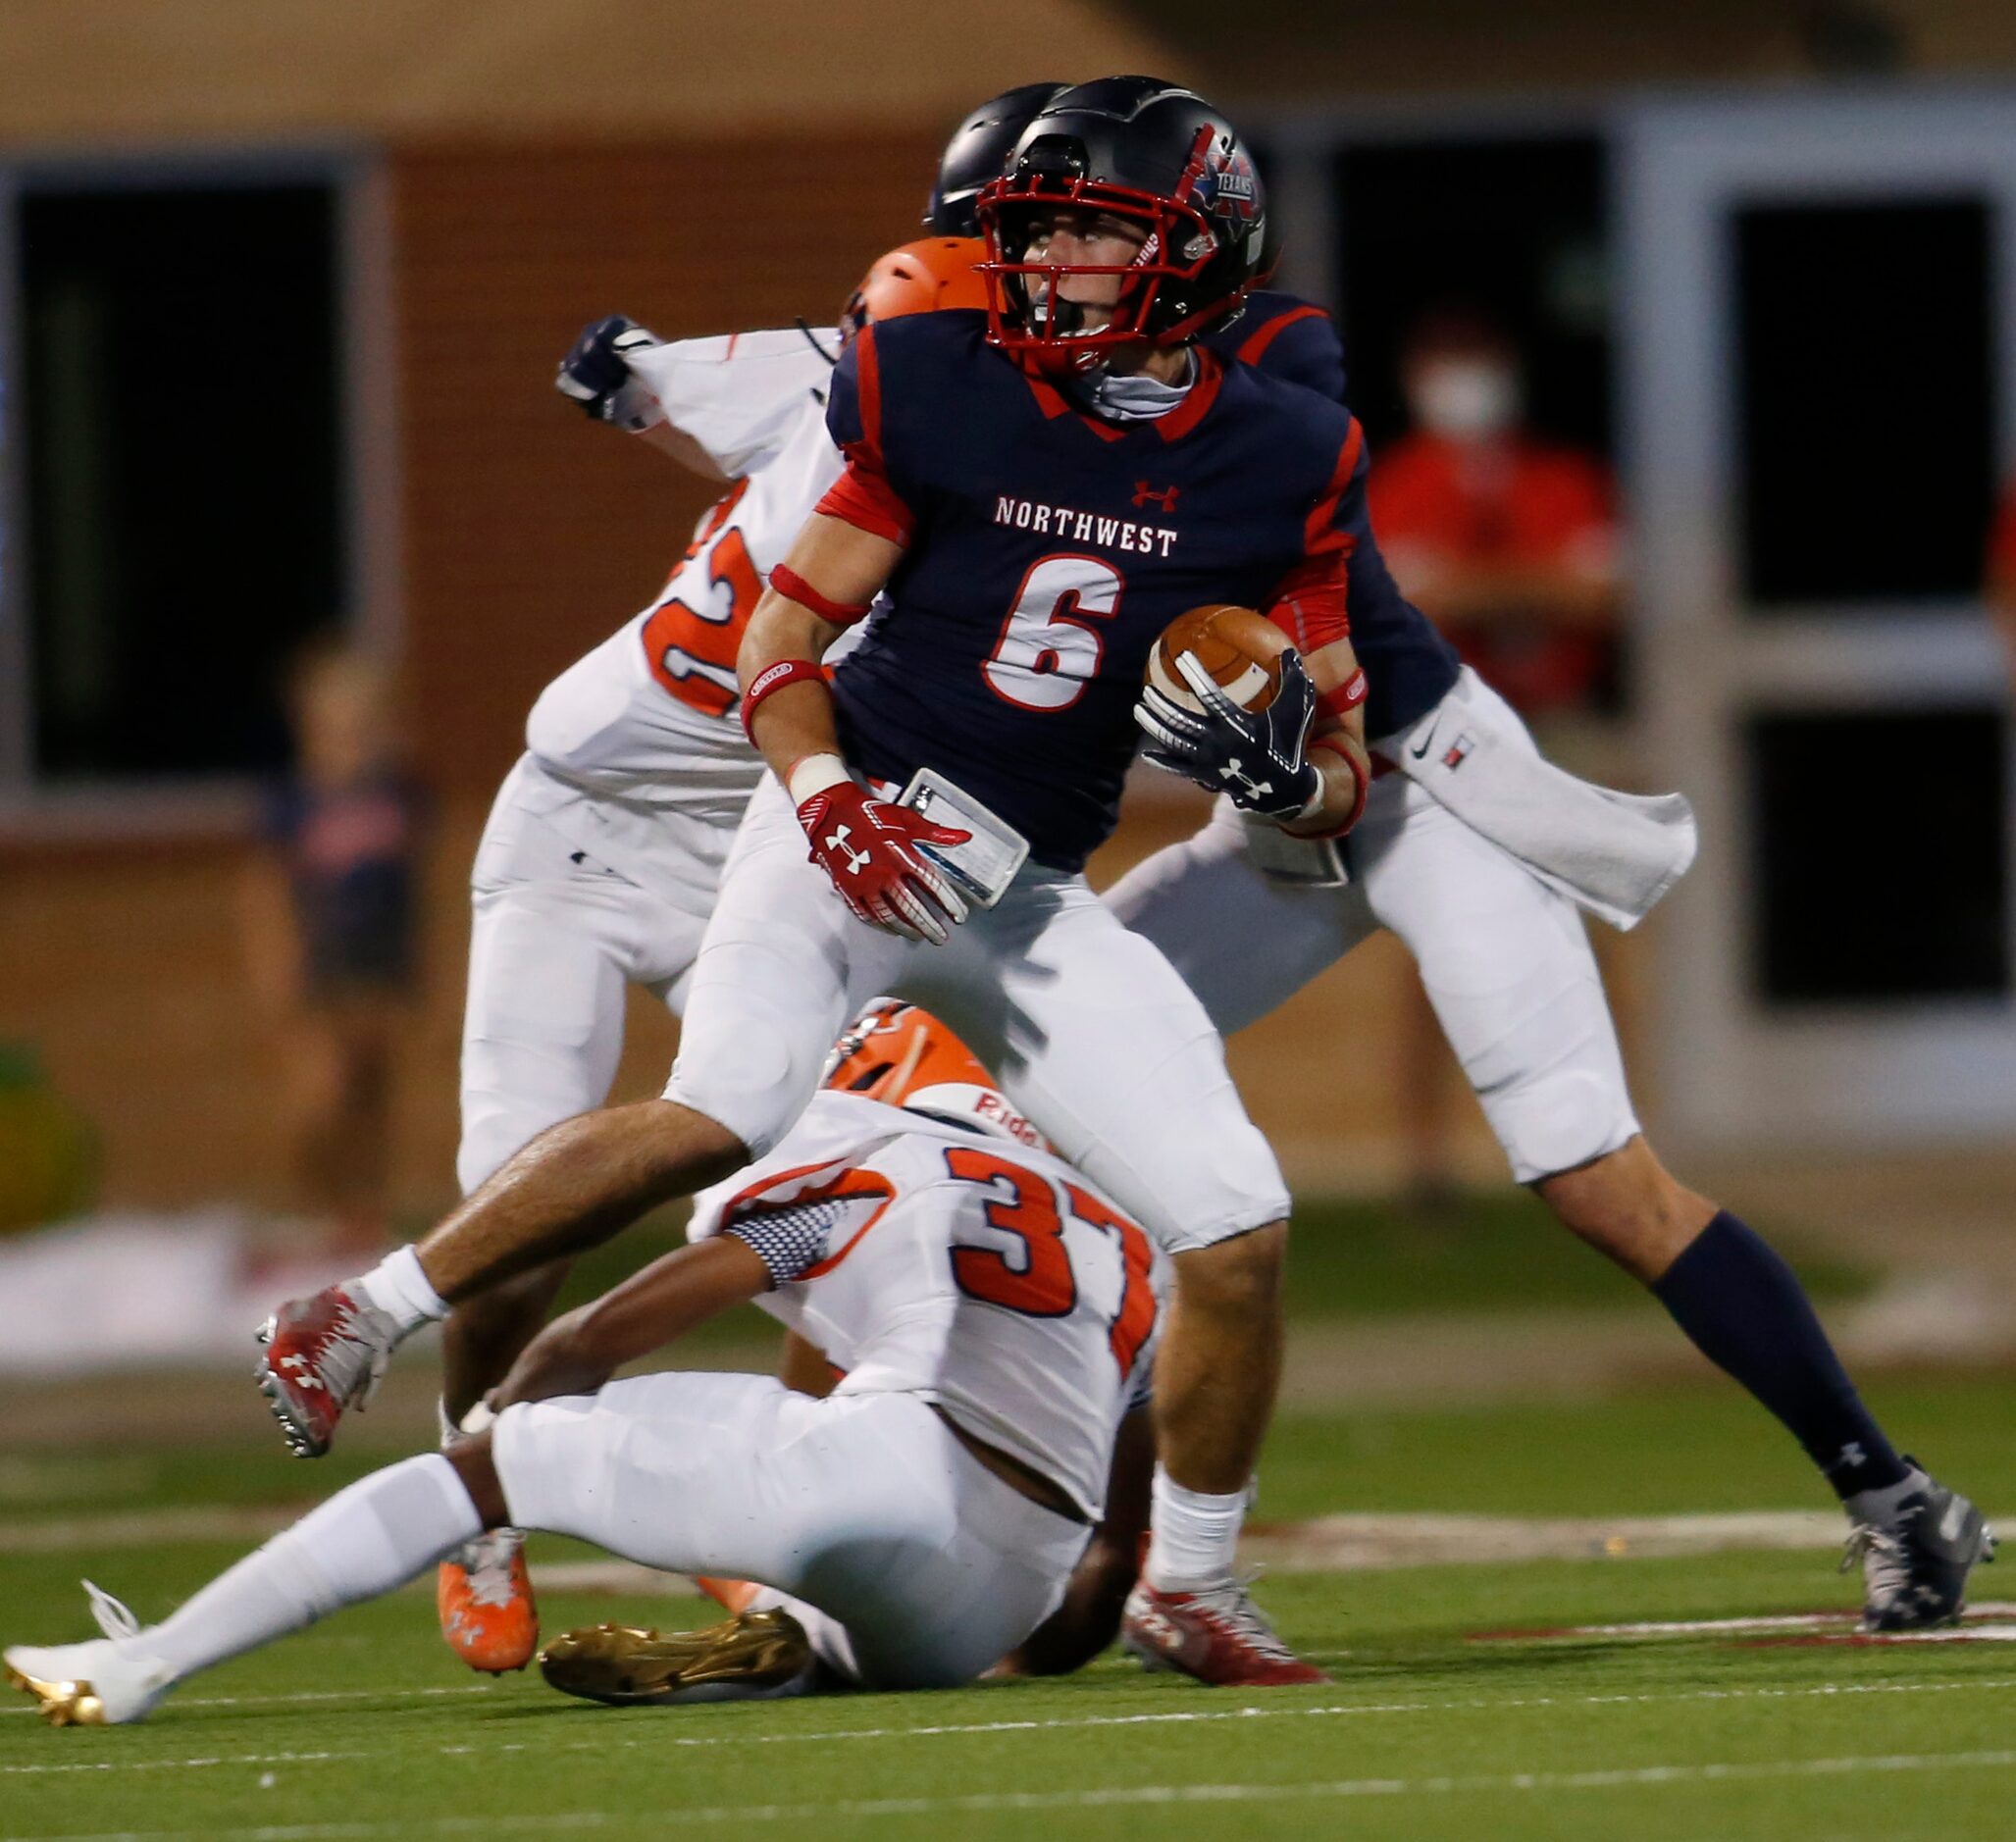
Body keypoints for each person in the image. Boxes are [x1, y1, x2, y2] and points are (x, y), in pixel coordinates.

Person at [254, 76, 1391, 1689]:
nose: (1045, 264)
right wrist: (825, 797)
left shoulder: (1290, 454)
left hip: (1021, 890)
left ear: (1198, 250)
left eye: (1087, 231)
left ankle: (1189, 1583)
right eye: (1035, 230)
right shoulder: (938, 383)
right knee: (722, 1107)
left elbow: (1341, 744)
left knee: (1236, 1219)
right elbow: (778, 648)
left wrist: (1292, 769)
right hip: (848, 821)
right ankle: (359, 1311)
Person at [1107, 310, 1996, 1636]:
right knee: (1012, 1081)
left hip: (1416, 785)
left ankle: (1889, 1495)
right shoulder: (1017, 432)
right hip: (1273, 815)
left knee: (1592, 1173)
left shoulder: (1270, 416)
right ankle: (1062, 1525)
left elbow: (1328, 735)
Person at [3, 1009, 1159, 1725]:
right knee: (842, 1562)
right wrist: (1023, 1646)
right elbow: (1107, 1562)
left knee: (490, 1461)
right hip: (995, 1602)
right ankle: (796, 1643)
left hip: (885, 1476)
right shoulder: (1125, 1239)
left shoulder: (874, 1161)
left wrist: (508, 1443)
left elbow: (594, 1340)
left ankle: (147, 1661)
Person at [434, 236, 990, 1671]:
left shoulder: (1006, 490)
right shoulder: (828, 384)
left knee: (812, 1204)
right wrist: (627, 375)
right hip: (573, 823)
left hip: (754, 852)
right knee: (512, 1218)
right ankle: (477, 1501)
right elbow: (626, 371)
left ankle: (763, 1512)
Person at [239, 640, 428, 1253]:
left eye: (367, 720)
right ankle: (317, 1206)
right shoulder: (293, 802)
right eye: (340, 722)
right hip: (319, 974)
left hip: (381, 971)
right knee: (321, 1099)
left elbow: (420, 888)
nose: (355, 736)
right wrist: (275, 967)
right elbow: (264, 891)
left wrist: (424, 970)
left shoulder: (400, 794)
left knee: (372, 1100)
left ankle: (361, 1215)